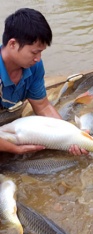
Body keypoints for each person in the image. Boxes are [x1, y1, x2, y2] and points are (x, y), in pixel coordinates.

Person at [0, 8, 88, 156]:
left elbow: (43, 106)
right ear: (13, 44)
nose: (38, 59)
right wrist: (15, 149)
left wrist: (72, 136)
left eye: (41, 52)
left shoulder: (34, 67)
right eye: (34, 52)